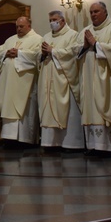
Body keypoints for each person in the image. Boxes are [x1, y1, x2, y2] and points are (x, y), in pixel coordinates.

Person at [76, 2, 111, 157]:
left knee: (109, 107)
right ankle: (94, 146)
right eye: (91, 12)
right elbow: (75, 51)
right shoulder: (85, 31)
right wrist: (85, 47)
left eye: (96, 11)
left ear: (105, 12)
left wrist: (96, 44)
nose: (93, 14)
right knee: (92, 109)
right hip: (90, 81)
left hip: (108, 81)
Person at [38, 10, 82, 151]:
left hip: (64, 79)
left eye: (55, 19)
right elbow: (38, 56)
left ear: (63, 21)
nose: (52, 22)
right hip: (48, 79)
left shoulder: (73, 35)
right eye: (50, 20)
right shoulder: (46, 36)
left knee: (67, 110)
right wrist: (43, 54)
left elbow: (74, 52)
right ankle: (50, 143)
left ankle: (70, 143)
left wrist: (54, 51)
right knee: (48, 109)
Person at [0, 16, 43, 147]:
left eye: (21, 26)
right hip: (9, 83)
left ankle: (25, 140)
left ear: (29, 25)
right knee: (9, 106)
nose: (19, 29)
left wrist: (19, 54)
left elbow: (37, 56)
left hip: (25, 83)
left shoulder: (37, 39)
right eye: (17, 26)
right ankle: (9, 138)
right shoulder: (10, 39)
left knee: (25, 109)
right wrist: (6, 52)